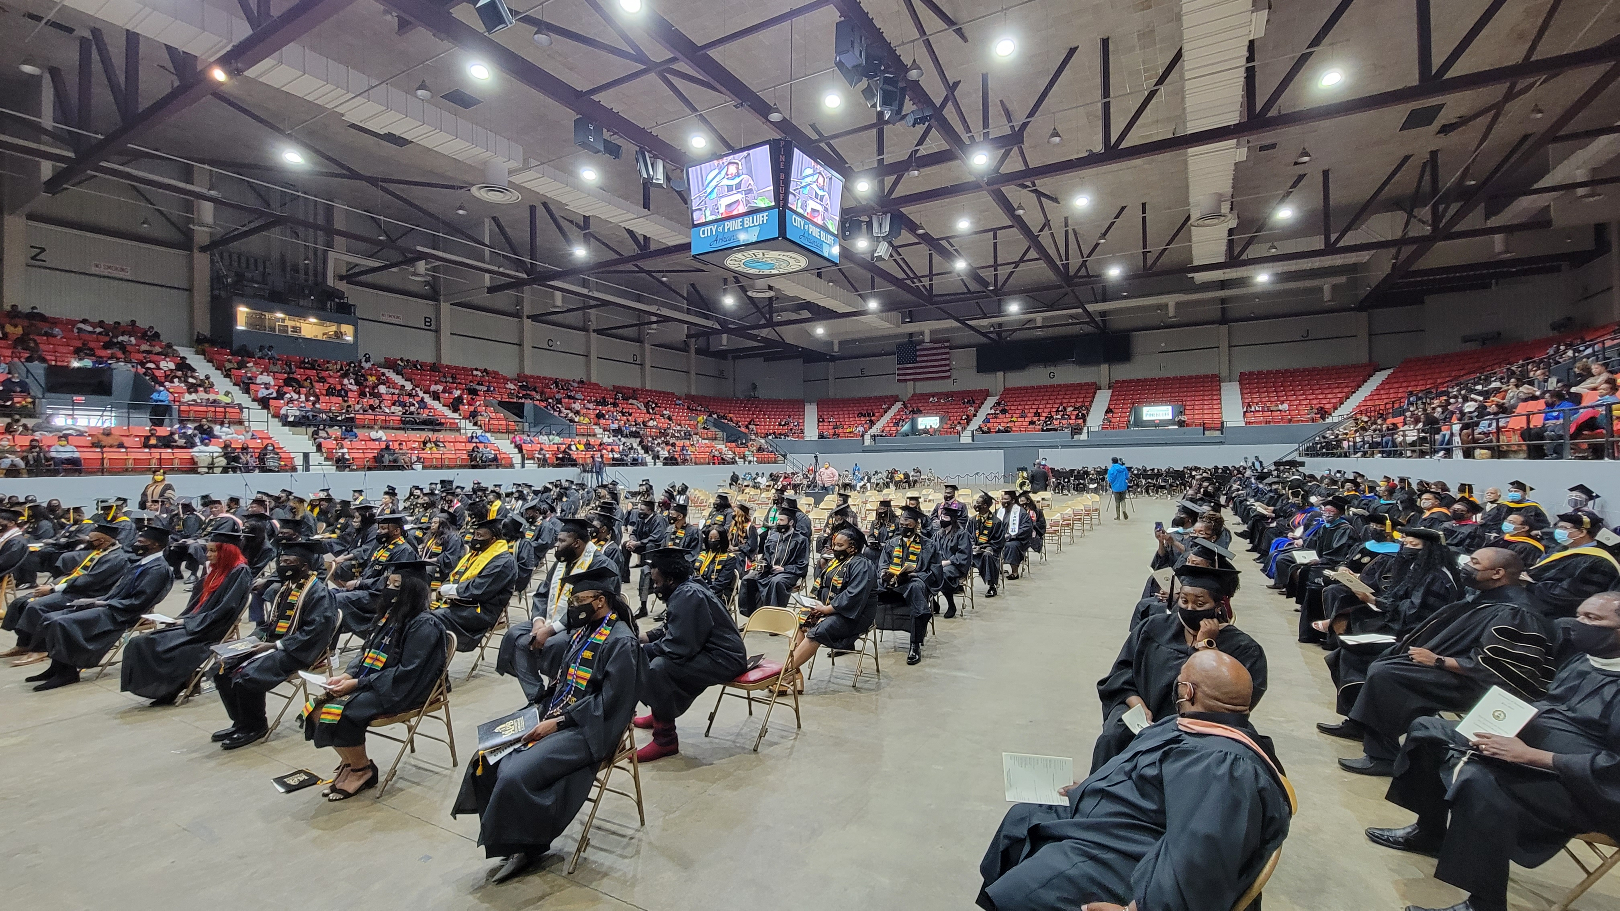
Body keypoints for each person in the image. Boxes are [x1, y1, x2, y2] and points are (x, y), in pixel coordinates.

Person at [977, 650, 1294, 911]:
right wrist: (1088, 787)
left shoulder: (1224, 766)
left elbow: (1199, 864)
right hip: (1123, 822)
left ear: (1187, 692)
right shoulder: (1188, 723)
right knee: (1023, 817)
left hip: (1135, 852)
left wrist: (1136, 909)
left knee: (1026, 890)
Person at [1366, 591, 1620, 911]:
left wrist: (1532, 756)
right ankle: (1429, 832)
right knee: (1428, 731)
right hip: (1531, 749)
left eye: (1594, 619)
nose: (1579, 625)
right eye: (1580, 614)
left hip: (1589, 787)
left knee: (1481, 781)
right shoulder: (1587, 658)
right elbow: (1551, 705)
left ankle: (1485, 903)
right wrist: (1502, 723)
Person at [452, 565, 646, 884]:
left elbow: (612, 703)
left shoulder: (621, 642)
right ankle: (510, 839)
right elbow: (565, 682)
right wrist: (543, 709)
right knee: (487, 756)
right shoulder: (586, 629)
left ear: (600, 601)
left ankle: (529, 846)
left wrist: (558, 723)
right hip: (559, 713)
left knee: (515, 773)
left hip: (593, 728)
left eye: (579, 599)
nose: (572, 606)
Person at [1331, 547, 1559, 776]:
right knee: (1352, 652)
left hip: (1480, 686)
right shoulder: (1486, 596)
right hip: (1451, 667)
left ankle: (1382, 756)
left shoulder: (1517, 612)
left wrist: (1438, 660)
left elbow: (1502, 668)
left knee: (1387, 674)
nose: (1466, 567)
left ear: (1497, 573)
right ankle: (1357, 724)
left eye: (1475, 563)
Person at [1092, 566, 1267, 771]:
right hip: (1142, 713)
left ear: (1219, 606)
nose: (1190, 608)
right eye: (1184, 601)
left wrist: (1206, 646)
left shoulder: (1244, 649)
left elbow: (1233, 706)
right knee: (1112, 737)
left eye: (1200, 603)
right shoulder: (1154, 628)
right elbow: (1121, 673)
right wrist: (1136, 703)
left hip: (1198, 729)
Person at [302, 560, 449, 800]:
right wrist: (348, 675)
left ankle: (363, 771)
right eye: (389, 583)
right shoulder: (388, 617)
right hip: (376, 682)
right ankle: (350, 764)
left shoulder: (424, 624)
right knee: (317, 709)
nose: (389, 589)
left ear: (412, 590)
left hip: (406, 688)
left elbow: (408, 672)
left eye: (396, 585)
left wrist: (358, 684)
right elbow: (365, 652)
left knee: (342, 711)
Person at [211, 540, 339, 748]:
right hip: (273, 644)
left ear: (304, 566)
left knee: (247, 675)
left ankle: (256, 726)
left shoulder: (319, 594)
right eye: (282, 560)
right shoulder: (286, 588)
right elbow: (271, 625)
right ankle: (241, 722)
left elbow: (314, 633)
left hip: (299, 650)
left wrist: (275, 646)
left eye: (289, 561)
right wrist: (252, 640)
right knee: (222, 668)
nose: (283, 565)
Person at [629, 547, 748, 762]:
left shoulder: (688, 595)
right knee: (648, 657)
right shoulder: (685, 588)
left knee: (658, 668)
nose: (655, 586)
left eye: (657, 581)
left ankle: (665, 740)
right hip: (708, 650)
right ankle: (659, 714)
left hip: (724, 659)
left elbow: (680, 645)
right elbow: (673, 627)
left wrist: (644, 649)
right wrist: (643, 637)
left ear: (670, 579)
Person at [21, 524, 174, 691]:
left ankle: (68, 673)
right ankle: (56, 667)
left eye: (141, 541)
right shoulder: (143, 563)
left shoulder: (158, 569)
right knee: (50, 617)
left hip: (124, 613)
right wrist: (97, 600)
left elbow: (140, 602)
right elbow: (118, 591)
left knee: (63, 623)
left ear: (156, 545)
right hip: (110, 605)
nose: (136, 544)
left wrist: (105, 603)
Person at [120, 531, 254, 705]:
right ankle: (171, 684)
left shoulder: (240, 572)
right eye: (208, 551)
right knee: (141, 643)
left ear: (227, 551)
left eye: (214, 551)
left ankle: (174, 685)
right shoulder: (217, 570)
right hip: (199, 622)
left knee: (149, 644)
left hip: (212, 627)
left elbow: (226, 608)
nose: (209, 555)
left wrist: (187, 621)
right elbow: (198, 603)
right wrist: (182, 619)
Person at [499, 517, 618, 702]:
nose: (556, 544)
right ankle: (538, 698)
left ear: (577, 543)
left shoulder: (600, 565)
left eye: (562, 541)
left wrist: (551, 629)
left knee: (556, 644)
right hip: (551, 618)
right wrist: (538, 621)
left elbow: (592, 607)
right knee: (516, 638)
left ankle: (561, 690)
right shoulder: (562, 562)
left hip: (586, 623)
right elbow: (542, 594)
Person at [2, 523, 129, 662]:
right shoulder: (101, 551)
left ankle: (41, 649)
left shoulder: (115, 558)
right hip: (75, 589)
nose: (88, 542)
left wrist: (53, 589)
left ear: (101, 541)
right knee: (21, 602)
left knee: (36, 606)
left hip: (88, 594)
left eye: (91, 540)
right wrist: (54, 584)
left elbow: (89, 580)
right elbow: (76, 574)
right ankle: (24, 644)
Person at [780, 526, 877, 679]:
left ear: (852, 548)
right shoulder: (837, 562)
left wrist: (826, 609)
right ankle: (794, 675)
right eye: (835, 545)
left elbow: (853, 596)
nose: (834, 549)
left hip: (854, 615)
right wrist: (815, 605)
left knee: (817, 631)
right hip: (831, 609)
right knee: (797, 621)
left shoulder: (862, 565)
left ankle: (782, 675)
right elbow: (823, 587)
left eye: (840, 546)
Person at [433, 517, 519, 651]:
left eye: (480, 536)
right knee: (418, 614)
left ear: (493, 540)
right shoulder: (475, 554)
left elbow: (477, 589)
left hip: (481, 610)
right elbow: (454, 576)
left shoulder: (503, 561)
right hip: (459, 602)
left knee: (432, 620)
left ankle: (436, 665)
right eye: (475, 534)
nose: (475, 538)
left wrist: (444, 590)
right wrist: (444, 587)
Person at [875, 506, 941, 666]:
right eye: (902, 522)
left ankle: (915, 644)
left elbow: (935, 570)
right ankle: (852, 634)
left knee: (917, 587)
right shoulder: (891, 544)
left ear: (916, 525)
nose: (904, 526)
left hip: (911, 584)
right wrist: (885, 573)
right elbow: (882, 564)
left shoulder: (928, 545)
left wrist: (915, 574)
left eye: (908, 523)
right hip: (890, 585)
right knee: (869, 585)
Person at [1526, 508, 1620, 618]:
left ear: (1582, 532)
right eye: (1557, 527)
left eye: (1563, 528)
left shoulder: (1599, 562)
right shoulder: (1562, 549)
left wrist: (1531, 584)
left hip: (1562, 617)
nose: (1557, 531)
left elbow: (1573, 596)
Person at [736, 502, 809, 617]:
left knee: (776, 582)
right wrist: (763, 564)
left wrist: (784, 569)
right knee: (748, 578)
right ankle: (753, 616)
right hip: (770, 570)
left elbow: (802, 564)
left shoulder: (801, 540)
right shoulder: (773, 537)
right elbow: (766, 557)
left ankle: (774, 619)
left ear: (790, 522)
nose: (778, 523)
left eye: (781, 520)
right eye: (778, 519)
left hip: (789, 573)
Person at [970, 493, 1006, 597]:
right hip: (974, 551)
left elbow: (998, 541)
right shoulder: (972, 520)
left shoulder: (996, 522)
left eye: (978, 503)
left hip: (990, 551)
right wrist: (972, 545)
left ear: (985, 506)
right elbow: (968, 536)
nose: (975, 505)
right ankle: (957, 583)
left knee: (987, 555)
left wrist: (981, 547)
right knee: (961, 554)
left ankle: (992, 586)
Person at [997, 490, 1034, 581]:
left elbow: (1026, 528)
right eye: (1002, 499)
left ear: (1013, 501)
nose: (1003, 501)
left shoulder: (1021, 512)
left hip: (1017, 539)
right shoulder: (999, 511)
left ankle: (1014, 572)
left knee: (1011, 546)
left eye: (1006, 499)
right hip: (1001, 538)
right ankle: (997, 568)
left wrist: (1012, 536)